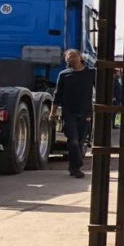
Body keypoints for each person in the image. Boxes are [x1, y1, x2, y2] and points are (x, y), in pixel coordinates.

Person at [51, 49, 94, 178]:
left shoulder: (90, 73)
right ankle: (77, 168)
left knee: (80, 141)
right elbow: (57, 95)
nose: (71, 59)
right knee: (73, 139)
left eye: (74, 56)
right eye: (69, 57)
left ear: (80, 57)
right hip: (69, 112)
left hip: (85, 112)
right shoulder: (63, 75)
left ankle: (73, 166)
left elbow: (102, 90)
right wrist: (52, 113)